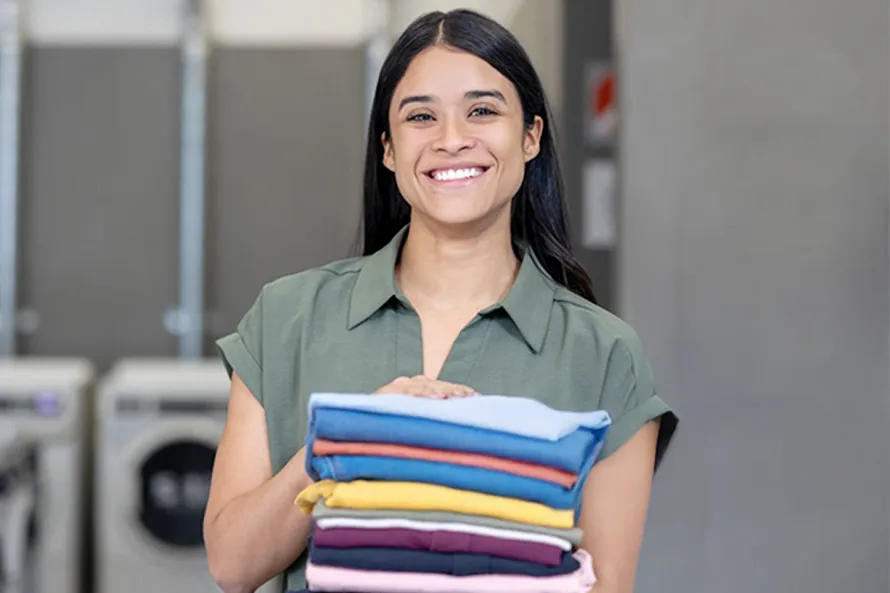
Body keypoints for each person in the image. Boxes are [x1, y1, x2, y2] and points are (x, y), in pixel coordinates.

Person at [203, 8, 677, 593]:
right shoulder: (287, 319)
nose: (452, 139)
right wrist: (348, 441)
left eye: (482, 111)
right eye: (421, 116)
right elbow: (232, 564)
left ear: (530, 137)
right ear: (389, 150)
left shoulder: (603, 354)